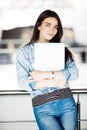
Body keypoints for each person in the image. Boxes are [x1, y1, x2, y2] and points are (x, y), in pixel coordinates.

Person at [16, 9, 79, 130]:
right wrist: (57, 81)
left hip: (67, 103)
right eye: (48, 25)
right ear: (39, 25)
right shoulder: (24, 52)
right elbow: (23, 82)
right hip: (42, 107)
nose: (52, 30)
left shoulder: (62, 49)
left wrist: (45, 75)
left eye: (55, 27)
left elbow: (75, 73)